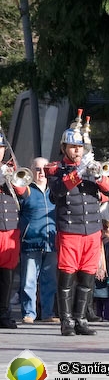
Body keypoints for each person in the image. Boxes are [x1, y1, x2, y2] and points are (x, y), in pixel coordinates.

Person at [45, 111, 109, 336]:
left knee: (87, 277)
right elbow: (56, 190)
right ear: (64, 148)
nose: (77, 151)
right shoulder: (57, 169)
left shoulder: (91, 168)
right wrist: (78, 172)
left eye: (80, 147)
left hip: (92, 230)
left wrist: (98, 177)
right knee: (67, 276)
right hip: (70, 229)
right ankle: (66, 320)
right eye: (73, 147)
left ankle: (81, 318)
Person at [19, 157, 58, 324]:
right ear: (31, 170)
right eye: (37, 169)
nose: (41, 172)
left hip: (51, 241)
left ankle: (48, 313)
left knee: (49, 281)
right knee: (28, 280)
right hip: (30, 241)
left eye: (44, 169)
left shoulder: (55, 190)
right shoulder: (26, 190)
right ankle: (29, 313)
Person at [0, 126, 31, 329]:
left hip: (10, 227)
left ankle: (4, 313)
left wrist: (11, 178)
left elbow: (25, 193)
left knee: (7, 275)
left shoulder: (10, 168)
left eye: (1, 147)